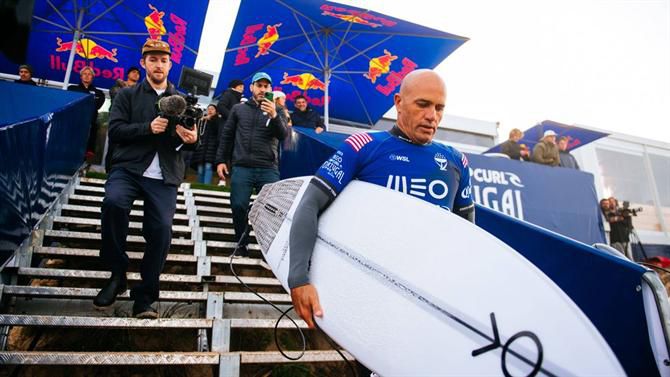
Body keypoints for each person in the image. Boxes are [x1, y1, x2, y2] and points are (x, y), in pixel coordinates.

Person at [288, 69, 475, 331]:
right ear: (399, 102)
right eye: (422, 104)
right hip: (369, 294)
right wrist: (298, 278)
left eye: (439, 107)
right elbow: (309, 204)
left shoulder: (457, 161)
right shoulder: (363, 146)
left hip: (429, 300)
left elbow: (466, 237)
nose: (432, 116)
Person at [94, 39, 199, 319]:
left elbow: (188, 143)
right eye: (152, 59)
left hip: (164, 175)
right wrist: (147, 128)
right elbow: (115, 131)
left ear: (170, 64)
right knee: (114, 203)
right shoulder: (127, 95)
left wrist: (191, 140)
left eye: (163, 60)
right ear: (143, 63)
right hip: (128, 168)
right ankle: (117, 273)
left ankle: (145, 297)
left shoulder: (184, 101)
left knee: (162, 230)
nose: (158, 65)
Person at [215, 72, 288, 257]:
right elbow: (227, 136)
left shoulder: (278, 111)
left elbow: (283, 136)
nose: (263, 89)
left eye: (266, 86)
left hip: (268, 167)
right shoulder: (238, 109)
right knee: (238, 205)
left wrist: (274, 115)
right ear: (252, 87)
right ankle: (241, 244)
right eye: (259, 85)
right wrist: (221, 160)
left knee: (272, 210)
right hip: (242, 166)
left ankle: (267, 247)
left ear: (270, 89)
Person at [68, 66, 106, 158]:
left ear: (92, 77)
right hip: (74, 122)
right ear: (80, 76)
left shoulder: (99, 93)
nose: (87, 76)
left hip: (90, 123)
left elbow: (96, 106)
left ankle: (87, 153)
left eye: (89, 74)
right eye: (84, 74)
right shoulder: (72, 89)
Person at [191, 104, 222, 184]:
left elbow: (217, 130)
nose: (210, 111)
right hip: (202, 148)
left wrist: (211, 119)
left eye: (212, 109)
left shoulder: (218, 120)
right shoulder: (202, 120)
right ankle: (199, 185)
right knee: (200, 168)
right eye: (208, 109)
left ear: (216, 111)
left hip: (212, 149)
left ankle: (206, 184)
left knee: (208, 167)